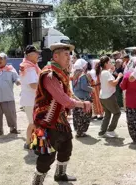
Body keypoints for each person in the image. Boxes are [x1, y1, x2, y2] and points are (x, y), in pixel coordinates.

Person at [31, 43, 91, 184]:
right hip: (47, 120)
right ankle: (37, 182)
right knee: (47, 155)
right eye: (66, 55)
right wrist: (82, 104)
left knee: (66, 147)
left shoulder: (60, 73)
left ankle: (60, 175)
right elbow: (64, 100)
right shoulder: (50, 74)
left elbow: (68, 94)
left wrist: (80, 101)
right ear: (55, 56)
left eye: (69, 56)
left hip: (59, 119)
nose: (69, 59)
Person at [19, 45, 41, 149]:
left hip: (30, 99)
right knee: (33, 123)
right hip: (31, 100)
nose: (38, 55)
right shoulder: (30, 68)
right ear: (30, 54)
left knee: (34, 122)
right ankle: (28, 142)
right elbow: (33, 85)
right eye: (37, 53)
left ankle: (31, 141)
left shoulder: (30, 66)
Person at [96, 56, 123, 138]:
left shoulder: (104, 72)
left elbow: (108, 79)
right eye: (110, 62)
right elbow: (113, 83)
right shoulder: (106, 73)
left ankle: (102, 132)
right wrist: (119, 76)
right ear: (106, 63)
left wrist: (112, 70)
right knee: (117, 113)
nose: (112, 63)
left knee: (107, 114)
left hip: (103, 96)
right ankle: (110, 130)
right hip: (109, 96)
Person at [120, 57, 136, 142]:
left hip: (130, 102)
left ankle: (135, 137)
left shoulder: (128, 74)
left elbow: (122, 87)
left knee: (132, 121)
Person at [72, 59, 93, 137]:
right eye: (85, 65)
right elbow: (84, 86)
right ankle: (82, 131)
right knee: (85, 115)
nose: (86, 66)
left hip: (77, 98)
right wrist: (91, 89)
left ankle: (78, 131)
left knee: (77, 115)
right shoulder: (83, 75)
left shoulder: (74, 74)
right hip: (84, 98)